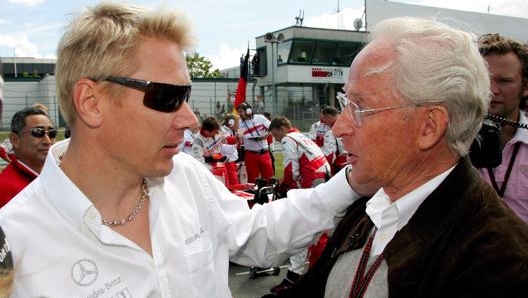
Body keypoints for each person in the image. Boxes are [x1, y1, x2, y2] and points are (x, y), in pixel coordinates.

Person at [0, 3, 372, 297]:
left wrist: (353, 183)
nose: (191, 119)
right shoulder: (16, 243)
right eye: (168, 96)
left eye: (187, 95)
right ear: (91, 102)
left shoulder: (186, 176)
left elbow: (255, 235)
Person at [265, 17, 528, 298]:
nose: (339, 127)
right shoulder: (368, 208)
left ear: (429, 126)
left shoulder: (499, 263)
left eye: (360, 107)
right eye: (345, 102)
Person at [268, 115, 331, 293]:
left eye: (276, 136)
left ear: (281, 129)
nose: (276, 140)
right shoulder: (302, 136)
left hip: (312, 180)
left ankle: (294, 278)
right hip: (322, 178)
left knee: (302, 227)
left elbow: (290, 167)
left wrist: (285, 186)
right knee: (318, 228)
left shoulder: (288, 139)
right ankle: (315, 271)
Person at [476, 33, 528, 222]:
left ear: (525, 86)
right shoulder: (452, 138)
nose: (492, 90)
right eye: (485, 79)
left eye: (504, 81)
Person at [0, 106, 56, 207]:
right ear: (15, 140)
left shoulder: (62, 176)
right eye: (38, 132)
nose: (47, 141)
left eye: (52, 133)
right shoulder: (4, 189)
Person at [237, 101, 274, 182]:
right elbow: (239, 136)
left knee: (269, 178)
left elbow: (272, 127)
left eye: (241, 112)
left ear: (248, 111)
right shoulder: (239, 123)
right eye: (239, 112)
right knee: (252, 180)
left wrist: (266, 134)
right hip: (250, 154)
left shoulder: (260, 118)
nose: (240, 114)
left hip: (264, 153)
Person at [320, 106, 348, 174]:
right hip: (358, 163)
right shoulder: (351, 123)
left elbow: (330, 155)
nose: (326, 124)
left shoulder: (332, 132)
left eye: (325, 121)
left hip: (341, 167)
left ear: (329, 117)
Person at [220, 113, 241, 185]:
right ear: (231, 123)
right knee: (233, 185)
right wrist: (237, 140)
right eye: (237, 122)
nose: (239, 125)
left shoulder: (231, 131)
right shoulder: (223, 131)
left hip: (230, 161)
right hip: (227, 162)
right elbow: (226, 148)